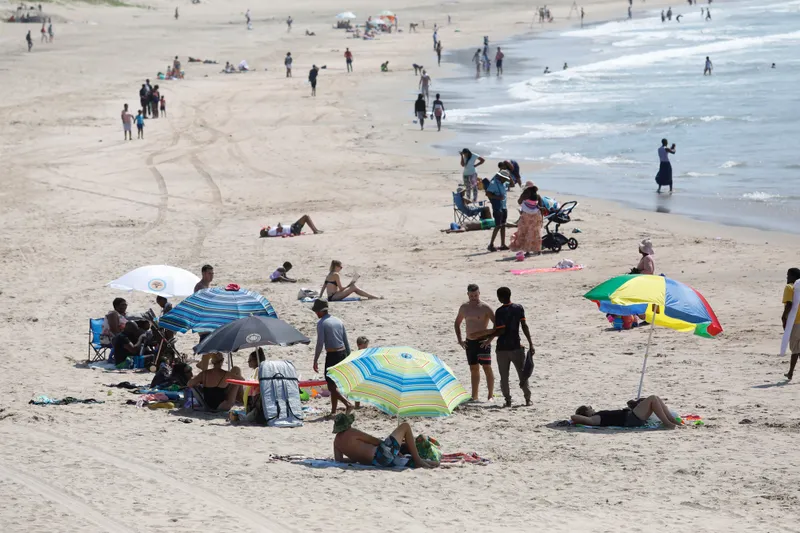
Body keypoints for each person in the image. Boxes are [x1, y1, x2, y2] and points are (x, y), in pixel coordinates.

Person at [483, 287, 534, 407]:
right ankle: (527, 399)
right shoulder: (518, 308)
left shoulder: (500, 311)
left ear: (499, 297)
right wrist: (531, 343)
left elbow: (501, 331)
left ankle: (508, 400)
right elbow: (524, 326)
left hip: (502, 349)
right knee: (522, 375)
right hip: (516, 346)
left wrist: (488, 334)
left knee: (504, 376)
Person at [333, 414, 439, 467]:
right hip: (381, 454)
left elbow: (339, 460)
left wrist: (354, 458)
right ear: (347, 424)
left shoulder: (336, 442)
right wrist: (398, 450)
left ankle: (433, 463)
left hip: (375, 463)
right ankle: (418, 460)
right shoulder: (351, 432)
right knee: (405, 426)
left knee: (433, 463)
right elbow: (374, 441)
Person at [312, 299, 354, 415]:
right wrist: (349, 357)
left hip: (332, 355)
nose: (316, 314)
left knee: (331, 386)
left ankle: (348, 404)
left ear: (320, 311)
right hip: (343, 353)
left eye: (316, 312)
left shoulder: (321, 323)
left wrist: (315, 360)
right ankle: (333, 411)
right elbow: (346, 341)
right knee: (334, 385)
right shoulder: (338, 321)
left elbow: (320, 343)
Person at [454, 284, 496, 401]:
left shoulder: (485, 307)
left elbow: (497, 325)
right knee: (473, 368)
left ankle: (490, 395)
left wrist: (489, 340)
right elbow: (457, 323)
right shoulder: (464, 307)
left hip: (483, 341)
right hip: (470, 342)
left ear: (479, 293)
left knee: (487, 367)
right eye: (471, 296)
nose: (474, 298)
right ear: (468, 294)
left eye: (476, 295)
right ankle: (474, 395)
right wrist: (460, 340)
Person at [570, 395, 681, 429]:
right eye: (589, 407)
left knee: (655, 398)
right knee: (652, 399)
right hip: (631, 419)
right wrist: (578, 417)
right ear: (587, 413)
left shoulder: (597, 415)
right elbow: (574, 417)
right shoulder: (594, 418)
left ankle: (671, 420)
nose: (591, 407)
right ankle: (667, 422)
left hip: (632, 416)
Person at [509, 182, 543, 256]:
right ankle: (538, 250)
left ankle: (527, 251)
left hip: (526, 216)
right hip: (536, 216)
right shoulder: (538, 196)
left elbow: (519, 201)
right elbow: (541, 208)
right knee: (536, 233)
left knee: (526, 232)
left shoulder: (525, 194)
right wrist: (542, 220)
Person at [485, 170, 510, 252]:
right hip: (497, 207)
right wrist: (498, 198)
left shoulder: (503, 183)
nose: (506, 180)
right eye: (505, 178)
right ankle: (491, 244)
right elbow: (488, 193)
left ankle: (503, 244)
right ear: (501, 177)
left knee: (503, 225)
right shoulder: (493, 183)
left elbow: (512, 184)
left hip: (503, 206)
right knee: (498, 225)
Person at [782, 268, 800, 380]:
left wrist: (784, 317)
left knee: (795, 348)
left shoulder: (790, 287)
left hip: (795, 322)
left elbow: (789, 304)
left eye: (788, 275)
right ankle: (790, 373)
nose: (787, 278)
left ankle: (790, 373)